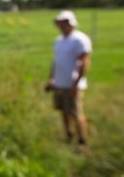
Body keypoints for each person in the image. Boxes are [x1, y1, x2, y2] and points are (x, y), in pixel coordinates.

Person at [46, 10, 92, 148]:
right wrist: (51, 78)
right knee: (64, 111)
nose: (62, 25)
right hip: (60, 83)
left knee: (76, 113)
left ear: (72, 24)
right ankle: (69, 135)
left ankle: (82, 141)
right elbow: (56, 61)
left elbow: (84, 62)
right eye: (60, 23)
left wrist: (75, 84)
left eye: (65, 23)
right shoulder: (59, 40)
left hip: (72, 84)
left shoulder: (79, 39)